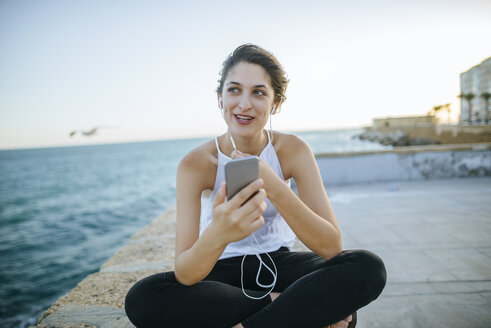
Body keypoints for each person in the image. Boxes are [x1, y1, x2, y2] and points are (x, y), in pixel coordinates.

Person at [125, 44, 386, 328]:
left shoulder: (293, 150)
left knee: (366, 268)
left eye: (258, 92)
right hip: (219, 270)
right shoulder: (195, 164)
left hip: (281, 263)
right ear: (220, 99)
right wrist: (220, 232)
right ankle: (282, 305)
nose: (244, 103)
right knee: (143, 298)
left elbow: (331, 246)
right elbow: (187, 273)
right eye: (234, 90)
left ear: (275, 104)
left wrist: (272, 183)